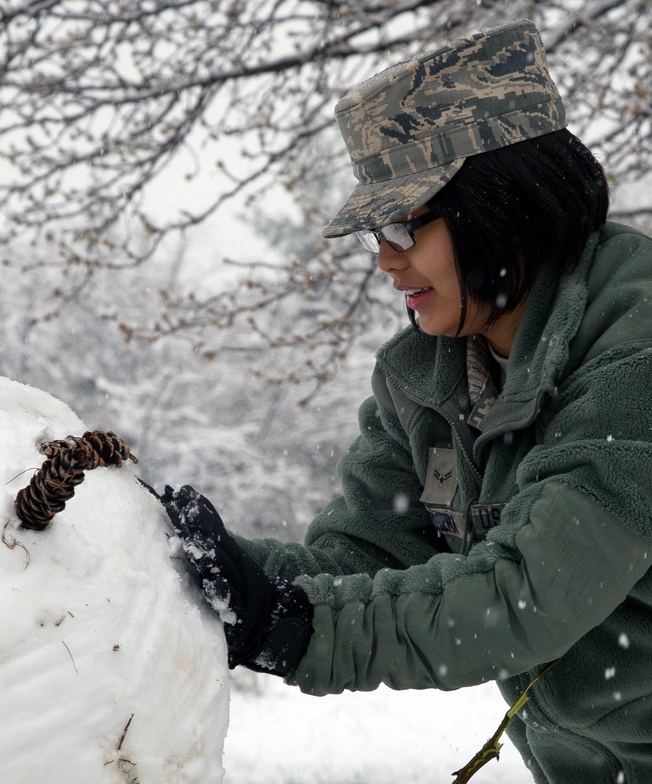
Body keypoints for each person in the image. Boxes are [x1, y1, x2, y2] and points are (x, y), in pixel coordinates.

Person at [156, 18, 652, 784]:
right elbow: (360, 561)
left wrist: (290, 626)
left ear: (502, 208)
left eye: (402, 224)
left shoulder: (637, 360)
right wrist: (178, 561)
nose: (384, 261)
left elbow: (529, 594)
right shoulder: (426, 384)